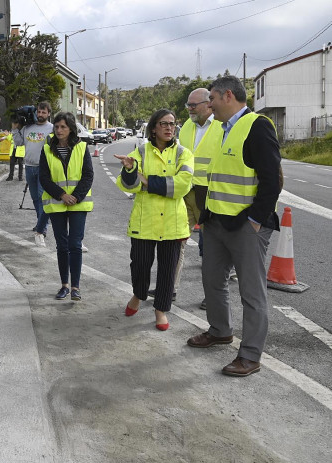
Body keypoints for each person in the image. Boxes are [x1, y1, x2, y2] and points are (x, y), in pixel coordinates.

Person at [187, 76, 281, 377]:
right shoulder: (223, 129)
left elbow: (273, 180)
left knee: (251, 293)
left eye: (212, 98)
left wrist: (255, 221)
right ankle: (220, 330)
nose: (209, 105)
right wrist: (205, 216)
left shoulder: (257, 126)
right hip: (216, 222)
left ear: (228, 96)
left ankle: (250, 355)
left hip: (245, 226)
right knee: (212, 281)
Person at [114, 109, 194, 331]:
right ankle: (138, 296)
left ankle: (160, 310)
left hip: (172, 222)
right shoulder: (141, 151)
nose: (169, 128)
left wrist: (148, 182)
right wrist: (131, 170)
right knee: (139, 265)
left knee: (168, 270)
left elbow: (183, 185)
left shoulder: (183, 154)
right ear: (154, 128)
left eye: (172, 123)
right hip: (144, 219)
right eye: (164, 123)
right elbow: (129, 185)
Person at [148, 88, 224, 305]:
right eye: (188, 105)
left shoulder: (222, 124)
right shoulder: (187, 126)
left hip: (209, 192)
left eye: (193, 105)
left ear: (208, 104)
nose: (189, 109)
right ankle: (169, 289)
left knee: (212, 247)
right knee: (176, 240)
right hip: (186, 190)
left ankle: (213, 296)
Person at [39, 112, 93, 301]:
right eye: (56, 127)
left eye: (63, 127)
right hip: (57, 203)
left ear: (71, 128)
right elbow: (43, 177)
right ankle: (64, 286)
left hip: (78, 204)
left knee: (75, 245)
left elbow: (88, 175)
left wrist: (75, 197)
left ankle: (76, 287)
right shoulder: (47, 149)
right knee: (62, 246)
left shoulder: (82, 147)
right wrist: (62, 195)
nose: (59, 130)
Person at [12, 102, 53, 246]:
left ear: (48, 114)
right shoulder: (27, 128)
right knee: (35, 198)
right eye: (39, 112)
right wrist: (15, 128)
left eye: (44, 112)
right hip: (29, 167)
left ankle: (43, 228)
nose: (40, 115)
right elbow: (18, 143)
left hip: (44, 168)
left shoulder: (52, 128)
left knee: (43, 198)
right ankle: (40, 223)